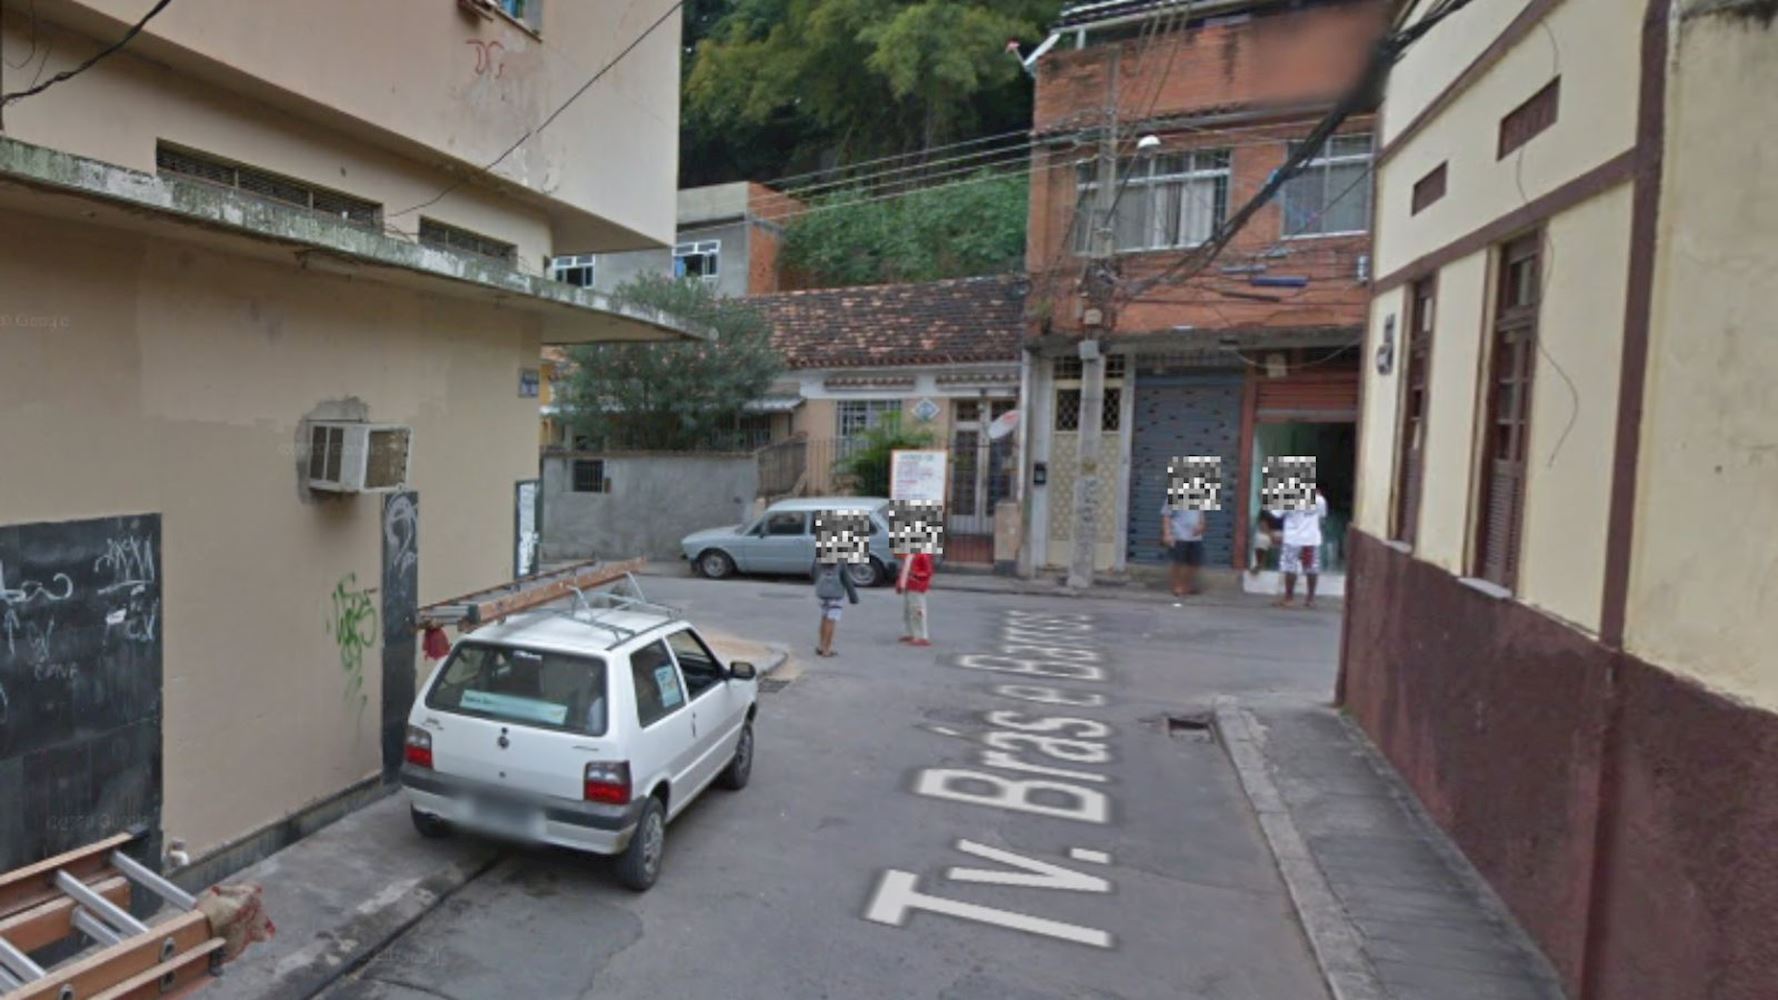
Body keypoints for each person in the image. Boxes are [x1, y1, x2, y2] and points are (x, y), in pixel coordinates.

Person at [1276, 488, 1329, 608]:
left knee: (1290, 567)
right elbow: (1322, 516)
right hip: (1311, 538)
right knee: (1312, 568)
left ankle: (1289, 598)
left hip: (1292, 539)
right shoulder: (1319, 500)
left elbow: (1276, 514)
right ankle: (1310, 599)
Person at [1160, 498, 1206, 601]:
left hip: (1195, 536)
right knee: (1178, 562)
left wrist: (1202, 525)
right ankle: (1177, 586)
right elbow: (1166, 515)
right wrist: (1167, 534)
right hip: (1179, 535)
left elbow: (1201, 514)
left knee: (1195, 563)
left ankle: (1186, 585)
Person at [813, 561, 859, 657]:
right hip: (835, 595)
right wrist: (853, 597)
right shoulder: (840, 562)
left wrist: (819, 583)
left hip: (822, 593)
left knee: (824, 618)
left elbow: (813, 572)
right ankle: (827, 649)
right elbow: (846, 580)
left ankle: (821, 645)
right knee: (831, 621)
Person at [896, 550, 935, 647]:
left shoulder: (922, 555)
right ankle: (910, 633)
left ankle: (921, 636)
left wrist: (916, 574)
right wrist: (900, 584)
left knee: (917, 612)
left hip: (916, 587)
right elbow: (904, 571)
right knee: (908, 612)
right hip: (908, 586)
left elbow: (928, 572)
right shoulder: (909, 555)